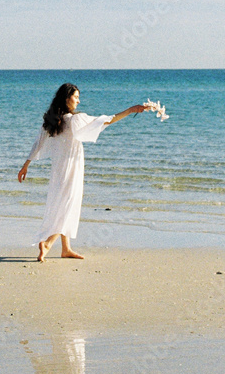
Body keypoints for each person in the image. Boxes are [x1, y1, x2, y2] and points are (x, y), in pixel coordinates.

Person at [17, 83, 148, 262]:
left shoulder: (53, 120)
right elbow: (106, 120)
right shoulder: (75, 119)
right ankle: (48, 243)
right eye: (76, 97)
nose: (78, 101)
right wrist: (130, 110)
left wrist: (26, 165)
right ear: (66, 98)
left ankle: (66, 249)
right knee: (68, 205)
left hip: (58, 169)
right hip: (72, 167)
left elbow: (38, 143)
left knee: (63, 203)